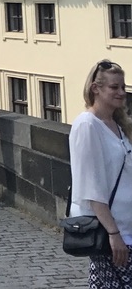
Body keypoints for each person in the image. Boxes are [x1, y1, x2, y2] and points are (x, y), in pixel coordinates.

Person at [69, 59, 132, 288]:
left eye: (123, 87)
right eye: (114, 87)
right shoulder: (87, 125)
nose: (121, 92)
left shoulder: (117, 124)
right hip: (110, 232)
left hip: (127, 227)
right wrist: (114, 233)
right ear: (96, 88)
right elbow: (91, 187)